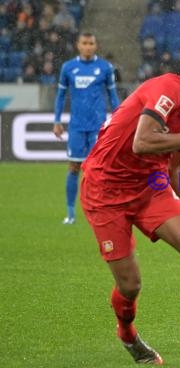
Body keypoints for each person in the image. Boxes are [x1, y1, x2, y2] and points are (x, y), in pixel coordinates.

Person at [80, 48, 180, 364]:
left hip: (149, 186)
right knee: (130, 285)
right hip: (106, 191)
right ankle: (127, 333)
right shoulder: (166, 88)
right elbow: (142, 141)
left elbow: (175, 169)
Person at [53, 32, 120, 225]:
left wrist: (120, 118)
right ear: (78, 45)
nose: (88, 46)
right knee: (74, 167)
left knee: (101, 170)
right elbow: (60, 96)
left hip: (98, 127)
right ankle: (71, 213)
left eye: (91, 43)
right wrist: (57, 121)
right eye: (85, 43)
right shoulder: (68, 68)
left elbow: (113, 96)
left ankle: (102, 208)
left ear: (96, 45)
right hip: (76, 127)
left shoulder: (105, 68)